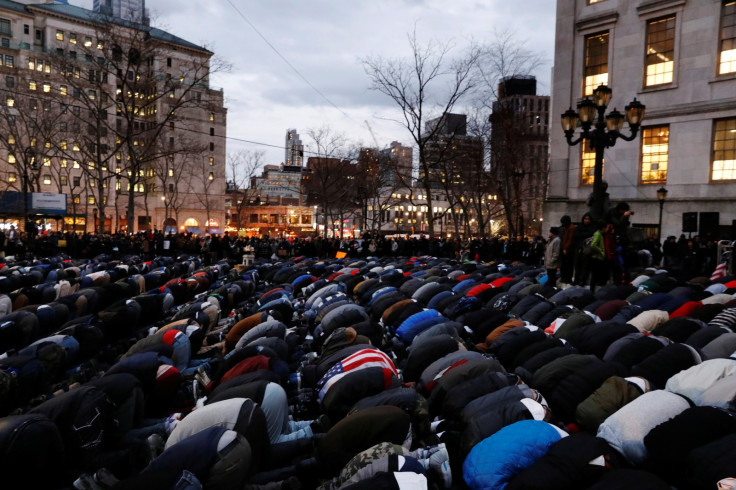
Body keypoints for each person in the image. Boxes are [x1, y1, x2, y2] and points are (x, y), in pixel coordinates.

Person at [573, 212, 595, 285]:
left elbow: (590, 234)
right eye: (585, 219)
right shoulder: (580, 226)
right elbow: (576, 235)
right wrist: (584, 235)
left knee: (585, 266)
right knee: (577, 265)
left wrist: (582, 235)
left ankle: (582, 280)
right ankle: (576, 279)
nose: (587, 221)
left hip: (586, 248)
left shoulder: (592, 227)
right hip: (579, 247)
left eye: (588, 219)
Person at [559, 216, 576, 286]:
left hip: (568, 250)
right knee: (565, 265)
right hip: (565, 249)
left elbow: (570, 239)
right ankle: (565, 278)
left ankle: (567, 279)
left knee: (568, 265)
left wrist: (565, 248)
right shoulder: (567, 228)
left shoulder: (571, 228)